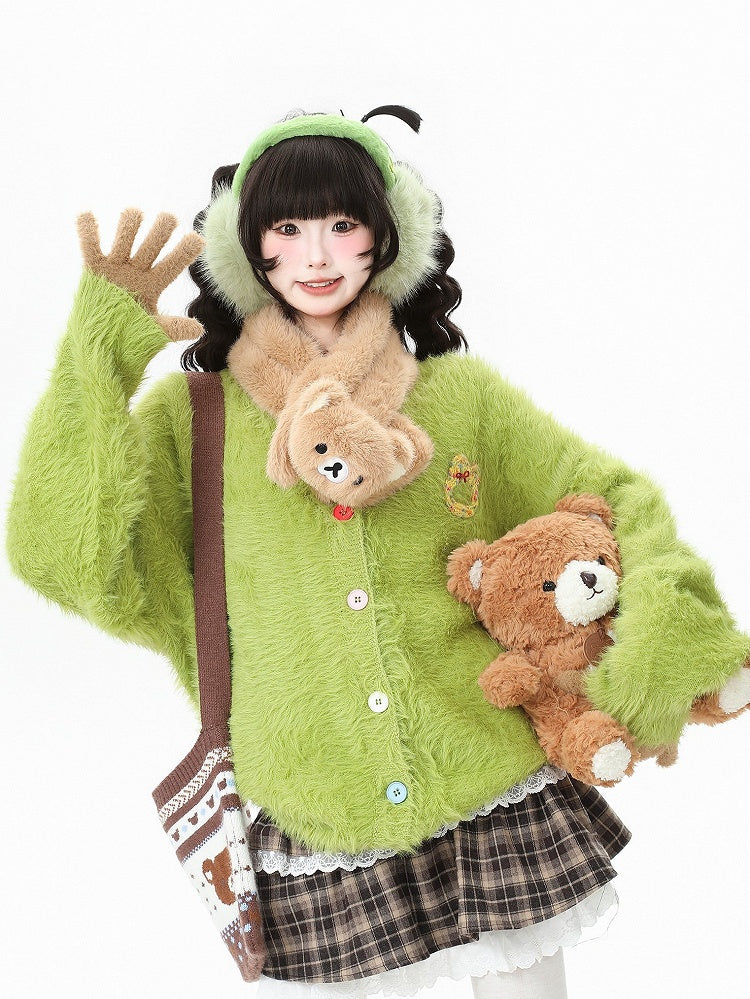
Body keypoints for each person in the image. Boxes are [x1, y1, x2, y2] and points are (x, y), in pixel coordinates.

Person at [6, 107, 750, 999]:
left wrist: (670, 627)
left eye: (342, 223)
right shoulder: (194, 424)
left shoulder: (457, 396)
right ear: (248, 248)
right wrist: (99, 355)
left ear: (386, 237)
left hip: (490, 786)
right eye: (287, 228)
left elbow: (607, 500)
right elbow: (64, 555)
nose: (317, 255)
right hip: (318, 814)